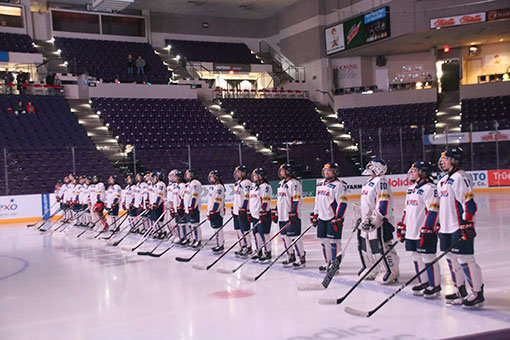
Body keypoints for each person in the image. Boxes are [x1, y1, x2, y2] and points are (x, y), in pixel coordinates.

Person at [437, 147, 484, 308]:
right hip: (445, 228)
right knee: (451, 259)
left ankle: (477, 293)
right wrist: (438, 224)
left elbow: (468, 203)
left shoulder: (460, 177)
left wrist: (467, 223)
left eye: (447, 158)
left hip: (458, 226)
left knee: (466, 259)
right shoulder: (442, 180)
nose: (443, 161)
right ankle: (460, 290)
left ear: (455, 160)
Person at [397, 161, 440, 298]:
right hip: (411, 231)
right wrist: (403, 226)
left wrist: (428, 228)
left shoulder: (430, 188)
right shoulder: (411, 188)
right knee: (416, 257)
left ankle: (435, 286)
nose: (412, 172)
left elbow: (433, 210)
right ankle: (424, 282)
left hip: (423, 230)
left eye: (415, 170)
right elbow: (406, 210)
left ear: (423, 172)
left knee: (428, 257)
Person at [358, 157, 399, 284]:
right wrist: (360, 214)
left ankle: (390, 270)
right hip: (367, 220)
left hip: (380, 221)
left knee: (381, 245)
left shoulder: (381, 181)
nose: (369, 168)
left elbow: (383, 201)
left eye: (372, 166)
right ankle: (372, 268)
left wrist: (378, 217)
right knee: (366, 246)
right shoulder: (369, 182)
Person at [310, 162, 348, 272]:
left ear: (335, 172)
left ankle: (335, 264)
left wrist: (339, 217)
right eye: (325, 170)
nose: (326, 172)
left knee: (334, 241)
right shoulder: (320, 184)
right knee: (324, 240)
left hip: (333, 218)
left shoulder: (339, 185)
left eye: (329, 170)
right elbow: (317, 201)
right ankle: (327, 262)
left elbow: (342, 202)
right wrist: (315, 213)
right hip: (322, 217)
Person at [275, 163, 306, 268]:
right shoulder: (281, 183)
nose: (280, 172)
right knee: (285, 237)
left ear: (288, 172)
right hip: (282, 215)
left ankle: (301, 257)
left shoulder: (294, 183)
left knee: (294, 237)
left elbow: (297, 199)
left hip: (291, 215)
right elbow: (279, 199)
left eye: (283, 170)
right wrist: (275, 210)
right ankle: (290, 255)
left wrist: (293, 212)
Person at [248, 168, 273, 262]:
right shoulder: (253, 186)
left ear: (261, 176)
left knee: (264, 234)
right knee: (256, 234)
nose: (254, 177)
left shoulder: (265, 186)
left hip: (263, 214)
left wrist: (263, 211)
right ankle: (259, 251)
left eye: (256, 175)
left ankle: (267, 252)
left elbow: (265, 200)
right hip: (254, 215)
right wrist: (249, 211)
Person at [232, 165, 252, 257]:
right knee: (238, 229)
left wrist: (244, 208)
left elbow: (247, 196)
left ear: (243, 173)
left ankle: (248, 247)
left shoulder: (246, 183)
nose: (236, 174)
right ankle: (242, 245)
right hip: (237, 211)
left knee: (245, 229)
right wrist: (234, 207)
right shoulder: (237, 183)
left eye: (238, 172)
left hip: (242, 210)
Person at [207, 170, 226, 253]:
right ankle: (219, 244)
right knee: (215, 229)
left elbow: (218, 200)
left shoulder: (219, 187)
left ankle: (220, 245)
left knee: (218, 229)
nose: (210, 178)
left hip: (217, 212)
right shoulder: (214, 187)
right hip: (213, 211)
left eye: (212, 176)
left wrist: (214, 211)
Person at [184, 169, 202, 248]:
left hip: (194, 207)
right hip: (188, 208)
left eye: (188, 174)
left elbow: (195, 196)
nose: (186, 175)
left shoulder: (195, 183)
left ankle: (198, 240)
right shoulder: (188, 184)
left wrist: (192, 206)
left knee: (195, 224)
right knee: (190, 225)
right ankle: (194, 239)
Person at [149, 172, 167, 238]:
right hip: (155, 204)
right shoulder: (156, 185)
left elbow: (160, 195)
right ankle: (158, 231)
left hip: (160, 204)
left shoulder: (161, 184)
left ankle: (163, 231)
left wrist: (156, 203)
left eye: (154, 177)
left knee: (159, 219)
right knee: (155, 219)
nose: (153, 179)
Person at [174, 170, 188, 244]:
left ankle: (185, 238)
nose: (174, 178)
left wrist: (180, 206)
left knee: (183, 224)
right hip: (177, 208)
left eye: (176, 177)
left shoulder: (182, 186)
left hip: (180, 208)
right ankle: (181, 237)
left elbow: (182, 197)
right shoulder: (177, 186)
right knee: (178, 224)